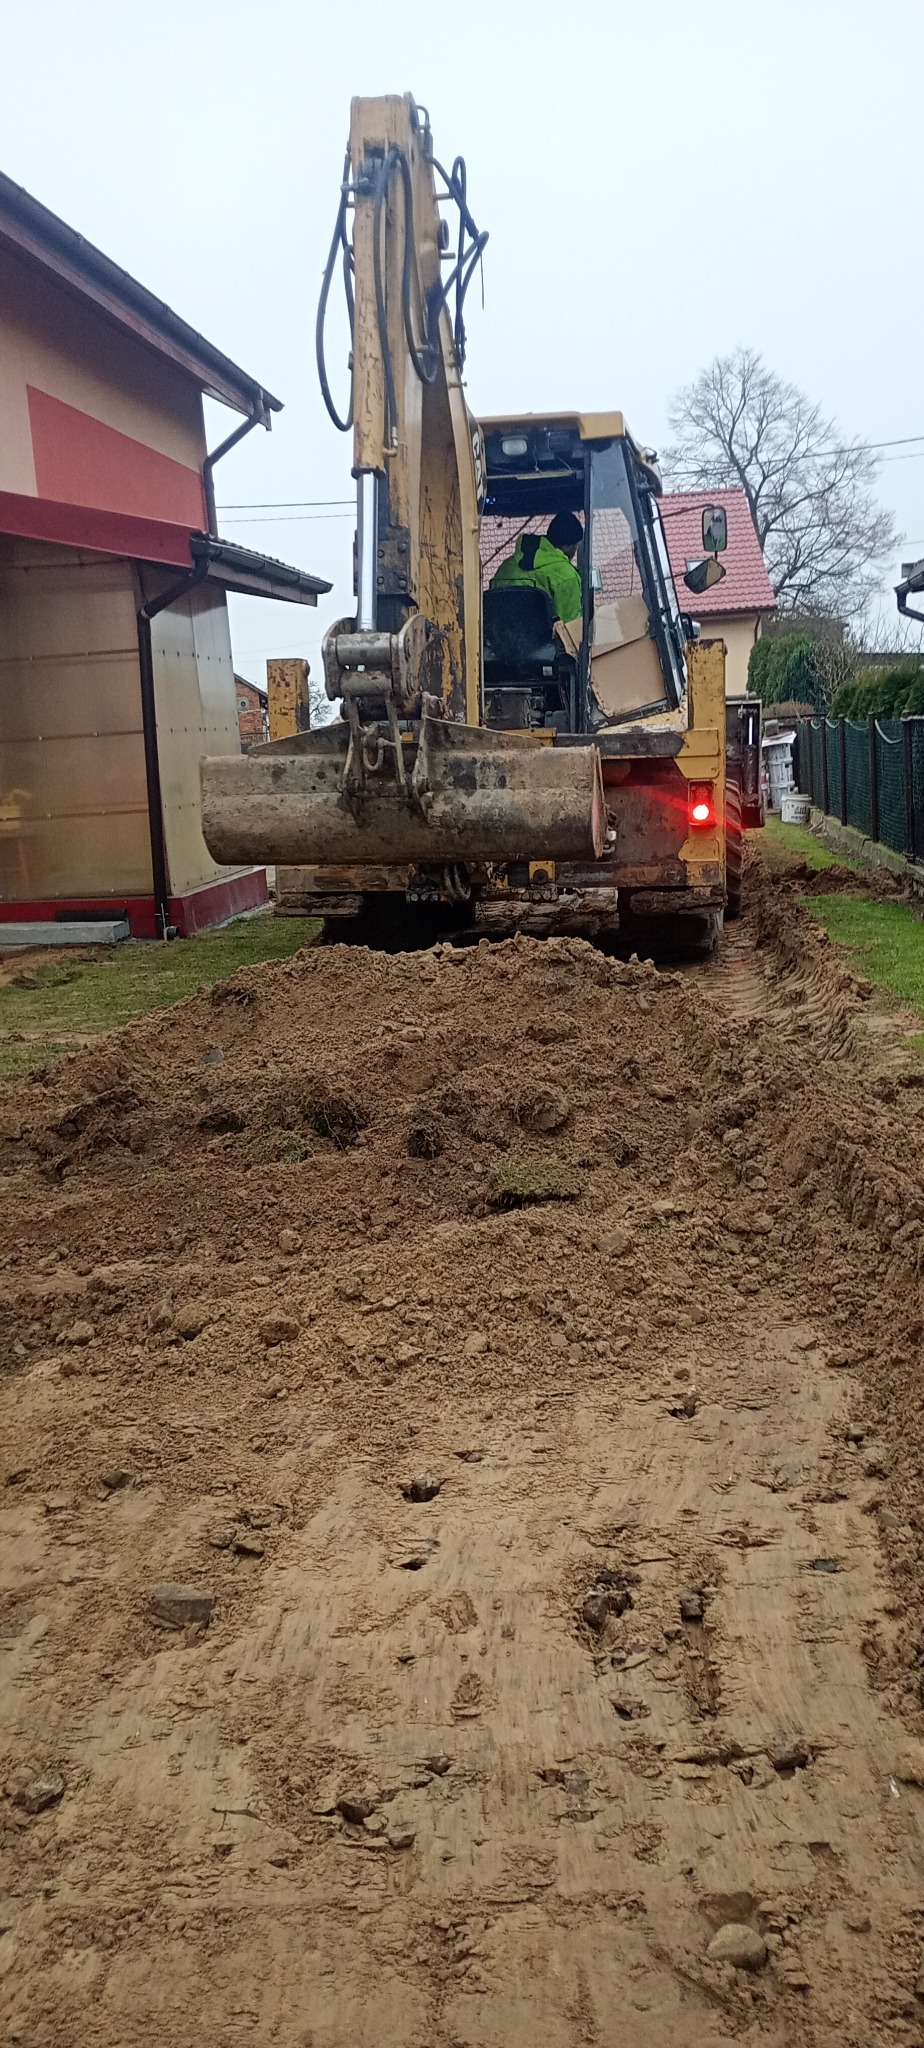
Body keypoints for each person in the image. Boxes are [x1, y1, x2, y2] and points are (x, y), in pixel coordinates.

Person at [490, 511, 583, 625]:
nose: (575, 551)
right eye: (575, 546)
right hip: (545, 642)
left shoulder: (506, 566)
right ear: (568, 545)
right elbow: (571, 628)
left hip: (500, 641)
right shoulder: (566, 576)